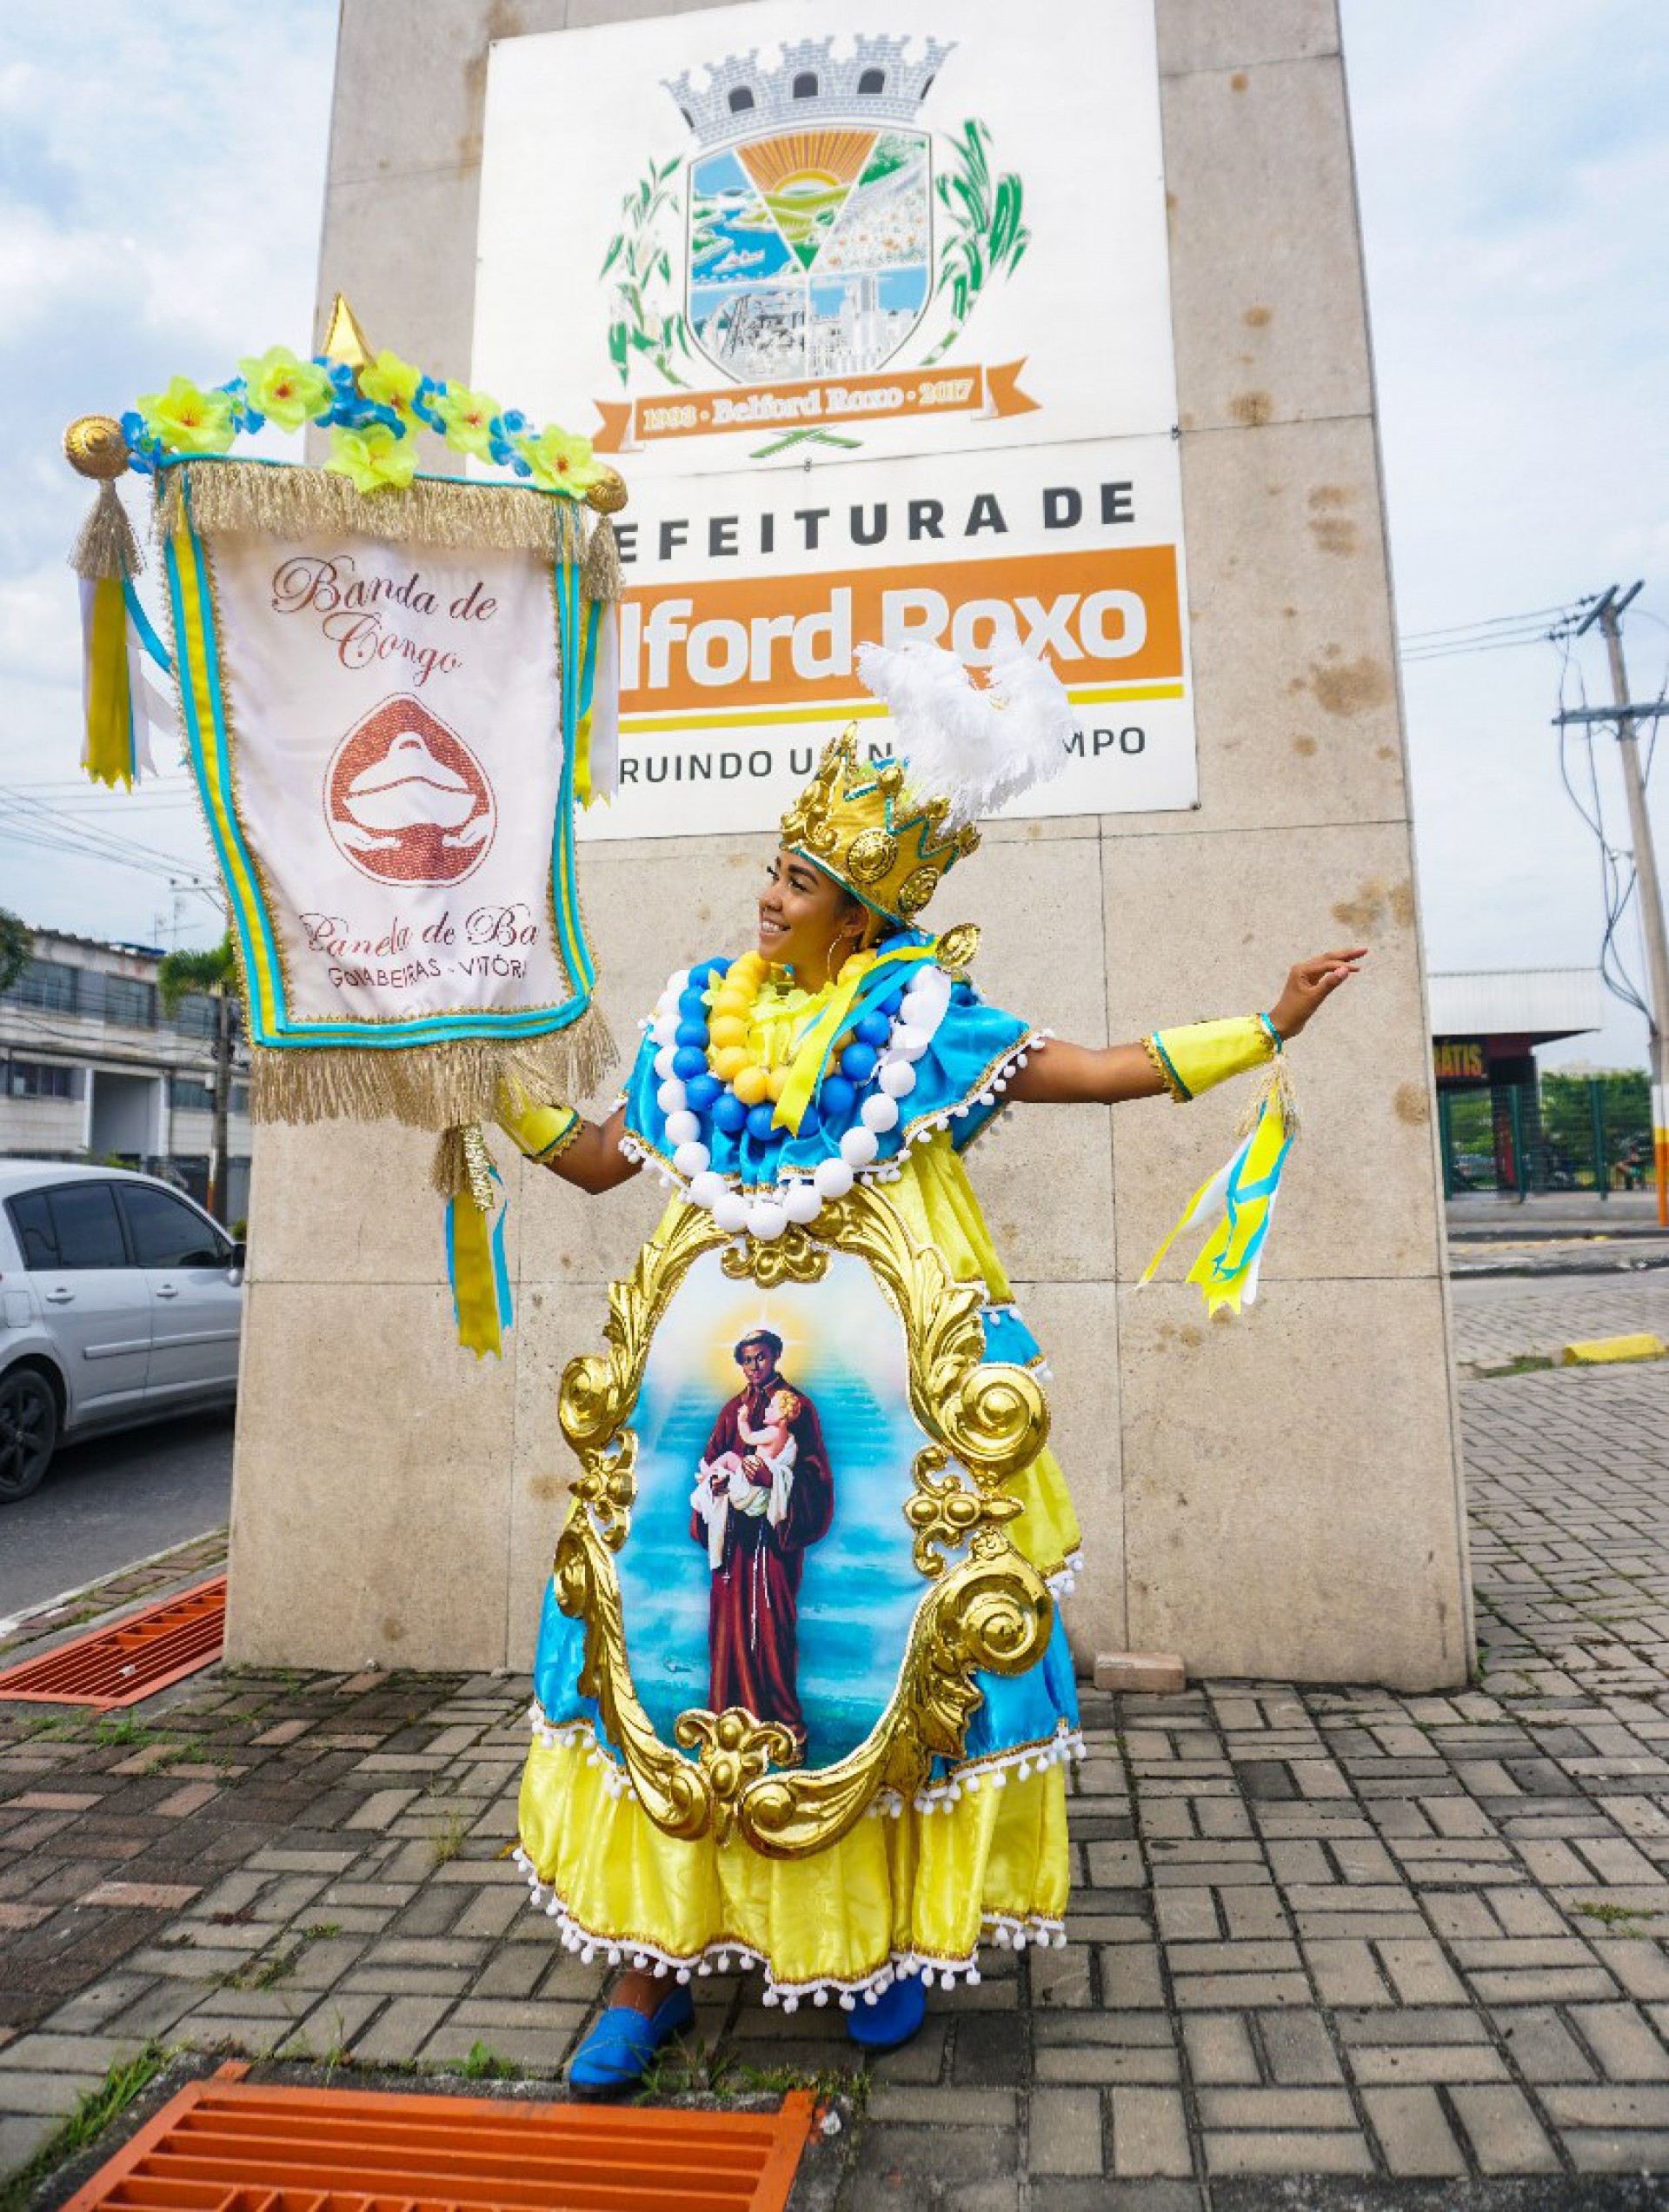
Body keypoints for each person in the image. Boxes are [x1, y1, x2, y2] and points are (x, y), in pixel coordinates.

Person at [502, 642, 1364, 2096]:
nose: (766, 895)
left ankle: (883, 1944)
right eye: (769, 868)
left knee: (876, 1663)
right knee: (661, 1659)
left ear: (863, 908)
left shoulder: (920, 1023)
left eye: (795, 879)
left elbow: (1085, 1068)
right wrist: (485, 1096)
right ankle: (644, 1971)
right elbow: (602, 1165)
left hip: (890, 1418)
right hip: (686, 1424)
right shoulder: (694, 1017)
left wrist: (1263, 1027)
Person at [689, 1330, 834, 1743]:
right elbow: (712, 1461)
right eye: (747, 1360)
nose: (754, 1367)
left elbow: (817, 1477)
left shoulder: (796, 1408)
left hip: (772, 1542)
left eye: (761, 1358)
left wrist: (774, 1479)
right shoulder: (731, 1410)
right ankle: (728, 1722)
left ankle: (785, 1725)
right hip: (733, 1539)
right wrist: (715, 1486)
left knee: (773, 1628)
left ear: (776, 1357)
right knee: (728, 1628)